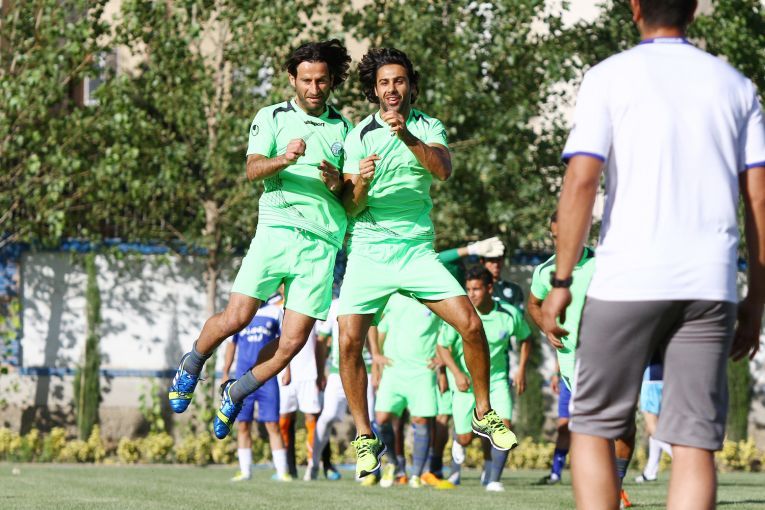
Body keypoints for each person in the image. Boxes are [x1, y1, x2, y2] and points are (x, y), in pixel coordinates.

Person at [541, 0, 765, 508]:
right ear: (694, 9)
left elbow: (581, 181)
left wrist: (562, 281)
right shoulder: (736, 86)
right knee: (693, 442)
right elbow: (759, 200)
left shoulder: (607, 77)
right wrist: (756, 299)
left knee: (592, 426)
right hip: (710, 283)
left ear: (635, 7)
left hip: (628, 278)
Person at [337, 46, 517, 479]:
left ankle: (483, 412)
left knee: (471, 325)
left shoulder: (427, 126)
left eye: (399, 81)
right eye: (384, 82)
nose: (391, 89)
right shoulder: (358, 135)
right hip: (369, 250)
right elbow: (349, 207)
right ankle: (365, 436)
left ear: (410, 86)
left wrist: (407, 138)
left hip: (416, 251)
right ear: (374, 90)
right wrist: (362, 182)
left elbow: (442, 170)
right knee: (347, 341)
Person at [167, 40, 353, 439]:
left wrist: (337, 181)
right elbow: (253, 170)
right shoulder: (271, 116)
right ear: (292, 79)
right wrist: (284, 159)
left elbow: (351, 197)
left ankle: (236, 391)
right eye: (306, 80)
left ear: (332, 81)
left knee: (292, 345)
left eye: (322, 81)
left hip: (322, 246)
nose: (314, 88)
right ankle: (193, 361)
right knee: (237, 318)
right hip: (276, 233)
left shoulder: (346, 129)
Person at [529, 212, 635, 507]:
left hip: (614, 357)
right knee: (596, 426)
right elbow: (534, 304)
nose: (559, 242)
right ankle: (605, 492)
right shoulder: (545, 271)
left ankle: (616, 485)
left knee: (625, 428)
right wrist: (546, 325)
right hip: (572, 363)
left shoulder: (603, 264)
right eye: (554, 237)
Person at [437, 267, 532, 492]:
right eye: (468, 289)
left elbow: (526, 338)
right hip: (465, 385)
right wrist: (456, 373)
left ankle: (493, 479)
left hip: (497, 382)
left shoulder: (509, 314)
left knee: (504, 428)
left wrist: (521, 370)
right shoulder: (460, 314)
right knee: (465, 438)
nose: (471, 294)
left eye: (476, 289)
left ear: (490, 288)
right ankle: (458, 445)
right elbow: (442, 346)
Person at [373, 293, 454, 489]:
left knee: (422, 421)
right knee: (381, 419)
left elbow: (448, 334)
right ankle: (393, 464)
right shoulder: (394, 297)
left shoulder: (435, 298)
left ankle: (416, 475)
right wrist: (376, 358)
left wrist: (442, 365)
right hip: (393, 369)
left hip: (422, 372)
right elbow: (377, 327)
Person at [309, 297, 379, 483]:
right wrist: (319, 372)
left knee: (366, 419)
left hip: (366, 370)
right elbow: (321, 340)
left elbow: (375, 332)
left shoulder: (371, 298)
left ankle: (364, 470)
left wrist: (377, 364)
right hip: (337, 371)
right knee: (327, 416)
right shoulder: (334, 305)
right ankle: (313, 464)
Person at [222, 293, 290, 482]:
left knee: (272, 424)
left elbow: (284, 343)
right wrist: (225, 371)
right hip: (242, 378)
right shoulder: (240, 312)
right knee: (243, 424)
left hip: (267, 377)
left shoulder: (275, 312)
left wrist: (287, 369)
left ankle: (282, 472)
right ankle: (245, 471)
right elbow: (231, 345)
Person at [277, 323, 323, 480]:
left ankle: (312, 466)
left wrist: (321, 372)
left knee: (312, 419)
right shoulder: (279, 312)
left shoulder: (317, 313)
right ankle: (285, 468)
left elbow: (321, 341)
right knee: (284, 420)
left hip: (309, 373)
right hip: (284, 374)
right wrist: (286, 369)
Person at [635, 355, 672, 483]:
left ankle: (683, 458)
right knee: (654, 429)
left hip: (651, 380)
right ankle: (650, 472)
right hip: (667, 378)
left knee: (652, 426)